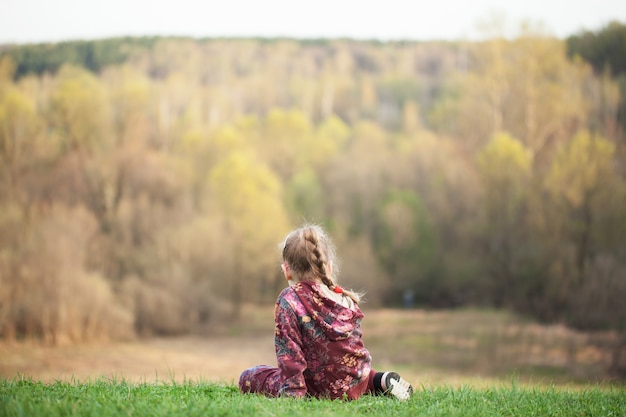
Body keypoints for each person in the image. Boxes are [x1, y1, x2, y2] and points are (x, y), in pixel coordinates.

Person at [239, 224, 414, 401]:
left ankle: (299, 388)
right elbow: (349, 350)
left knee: (250, 376)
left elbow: (289, 353)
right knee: (361, 375)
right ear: (328, 267)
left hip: (318, 388)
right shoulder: (344, 298)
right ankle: (381, 381)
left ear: (287, 271)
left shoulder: (290, 299)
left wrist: (294, 393)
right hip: (354, 381)